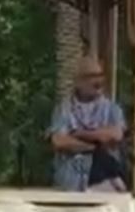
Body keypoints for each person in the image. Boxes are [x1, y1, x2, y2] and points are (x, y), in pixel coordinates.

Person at [50, 56, 128, 193]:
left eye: (100, 75)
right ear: (78, 81)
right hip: (70, 188)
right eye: (92, 76)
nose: (98, 81)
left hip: (106, 189)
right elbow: (59, 140)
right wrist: (93, 147)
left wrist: (79, 134)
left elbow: (115, 135)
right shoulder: (64, 109)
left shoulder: (112, 109)